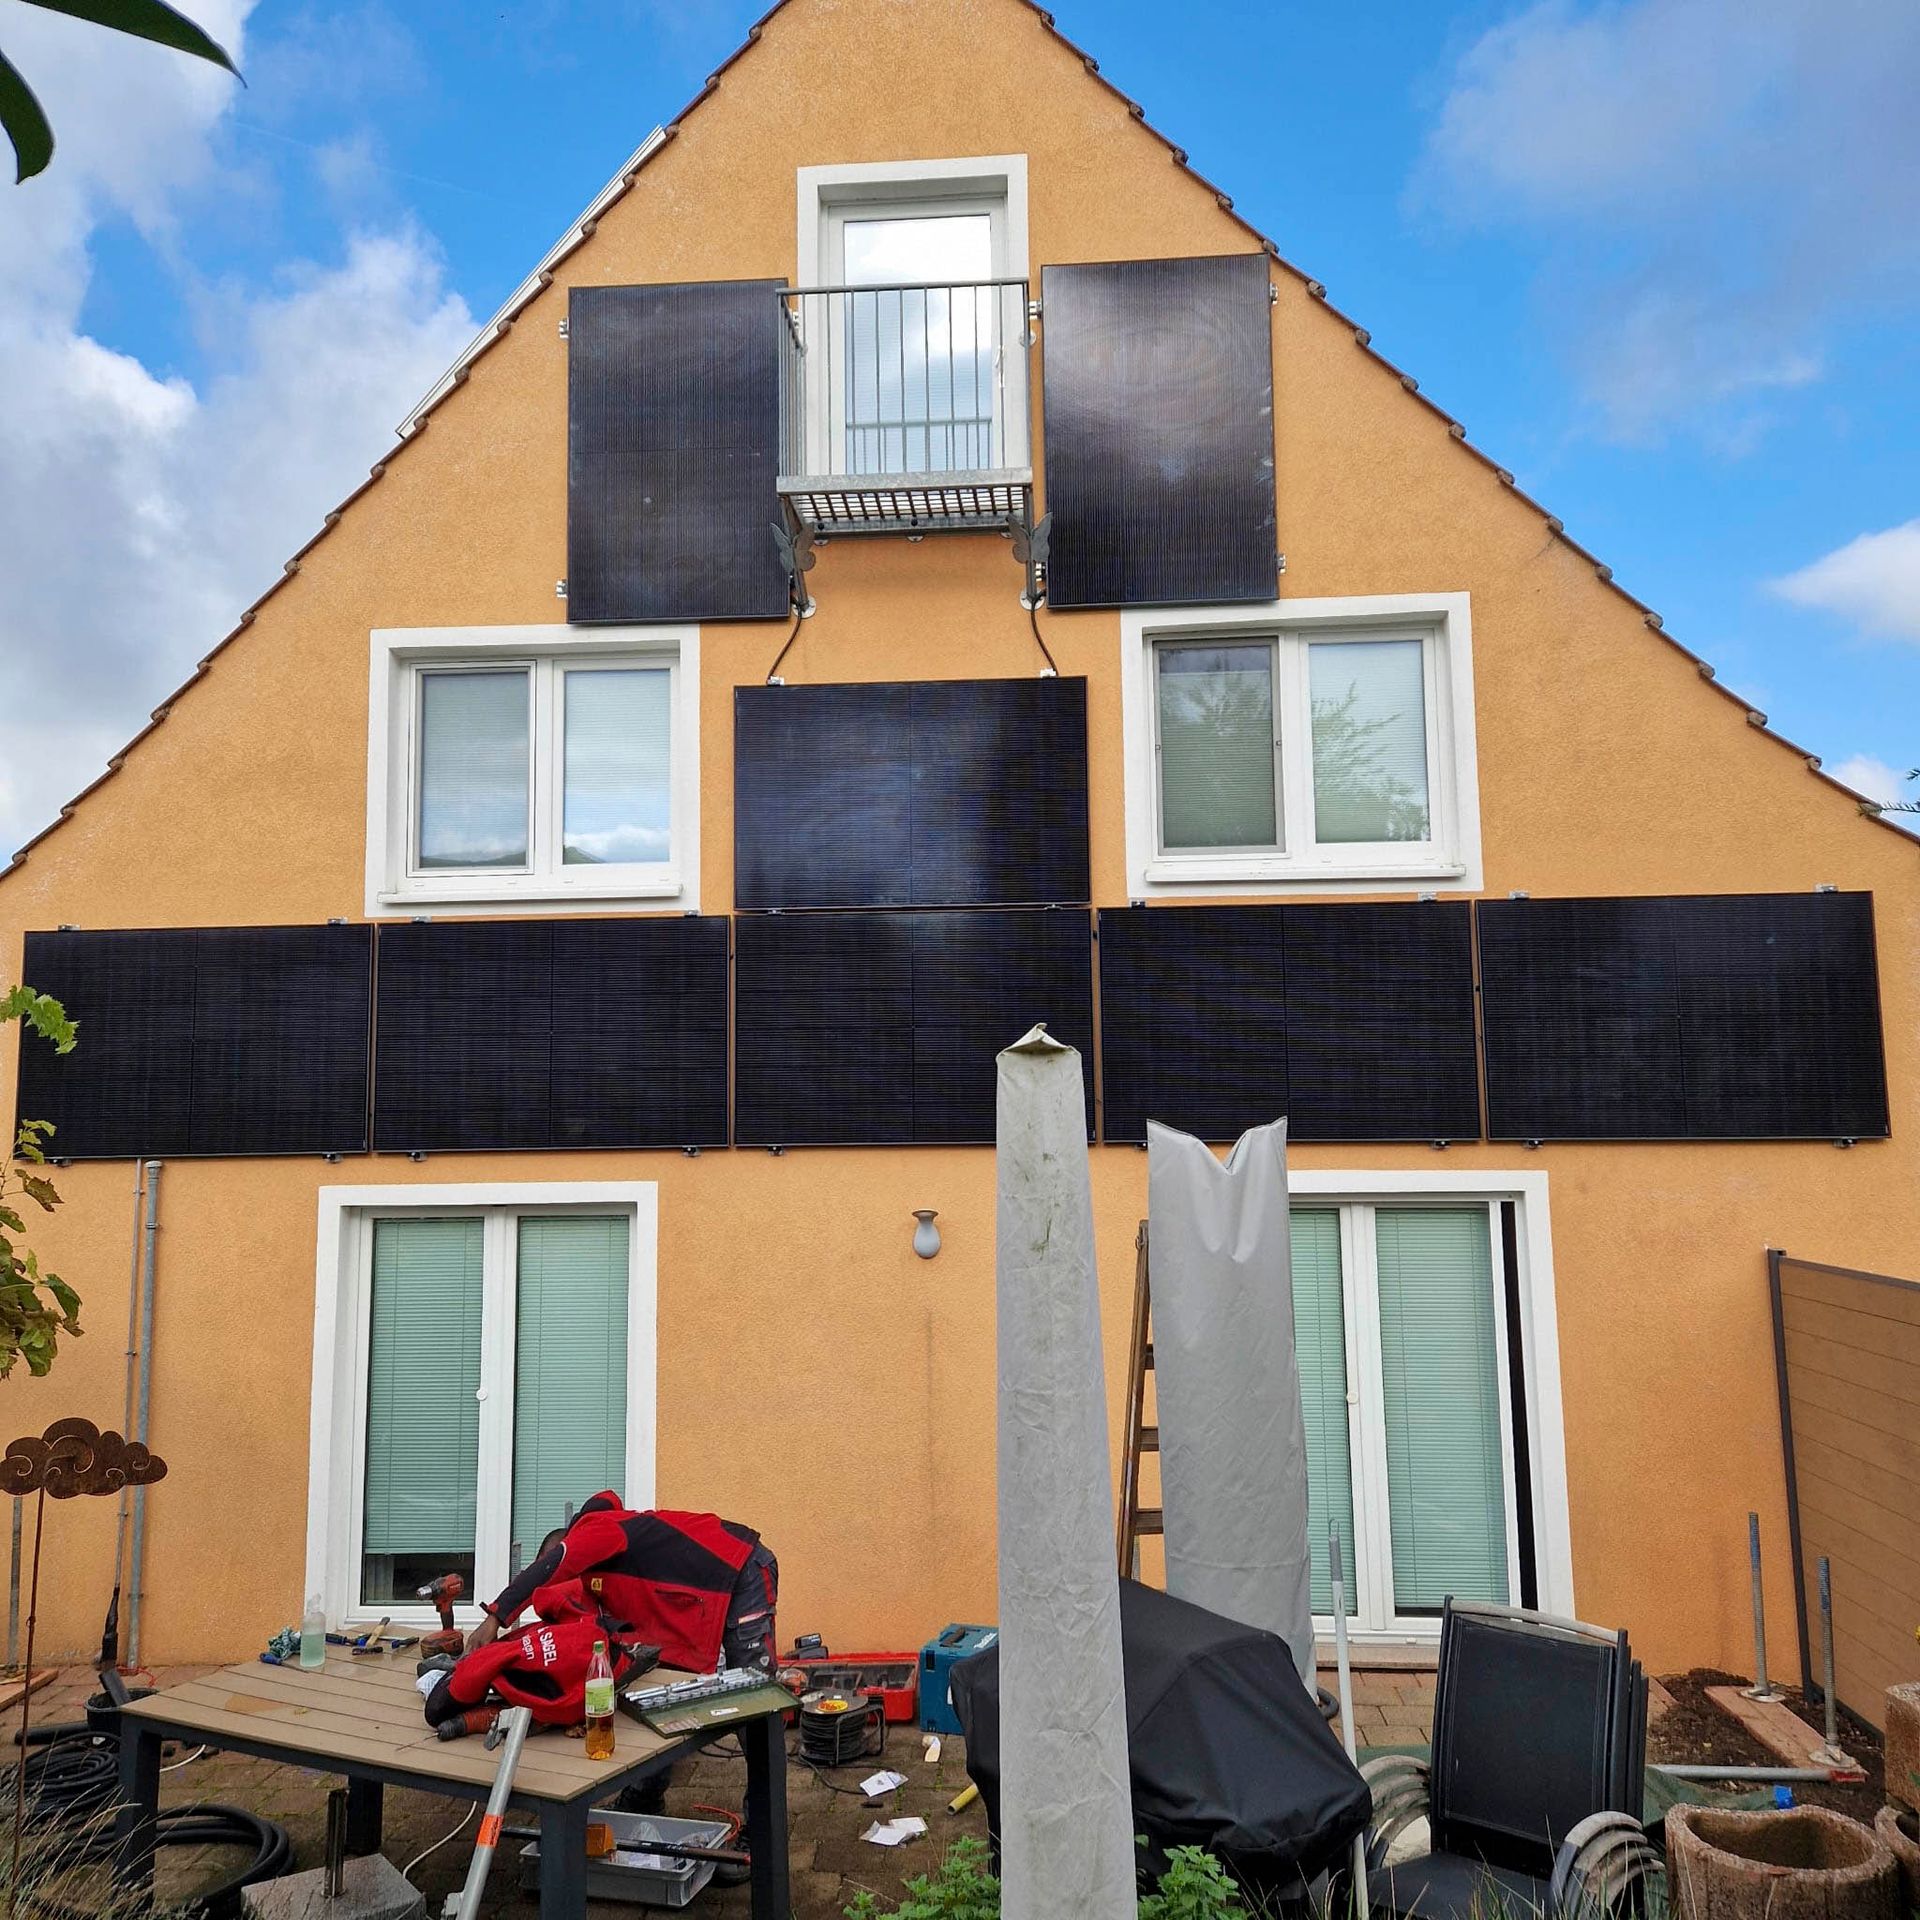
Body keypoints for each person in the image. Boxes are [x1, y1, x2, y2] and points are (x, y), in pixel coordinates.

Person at [468, 1492, 779, 1881]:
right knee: (655, 1696)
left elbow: (553, 1564)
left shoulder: (602, 1530)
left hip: (744, 1569)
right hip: (688, 1601)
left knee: (753, 1703)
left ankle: (763, 1837)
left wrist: (496, 1617)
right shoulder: (601, 1579)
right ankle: (645, 1797)